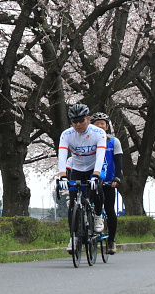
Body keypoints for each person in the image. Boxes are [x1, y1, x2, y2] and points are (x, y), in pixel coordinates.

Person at [57, 103, 107, 254]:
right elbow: (62, 156)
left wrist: (96, 175)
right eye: (74, 121)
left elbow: (100, 155)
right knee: (73, 204)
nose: (78, 124)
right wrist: (63, 176)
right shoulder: (66, 135)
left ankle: (98, 216)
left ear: (88, 119)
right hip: (78, 169)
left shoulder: (98, 133)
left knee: (97, 190)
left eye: (81, 120)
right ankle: (73, 238)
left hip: (94, 167)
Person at [91, 112, 123, 255]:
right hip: (91, 180)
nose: (99, 126)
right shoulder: (87, 141)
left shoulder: (113, 142)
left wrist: (117, 177)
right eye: (96, 124)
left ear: (107, 127)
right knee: (89, 205)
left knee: (109, 209)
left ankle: (111, 241)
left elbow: (119, 161)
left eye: (102, 124)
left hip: (108, 180)